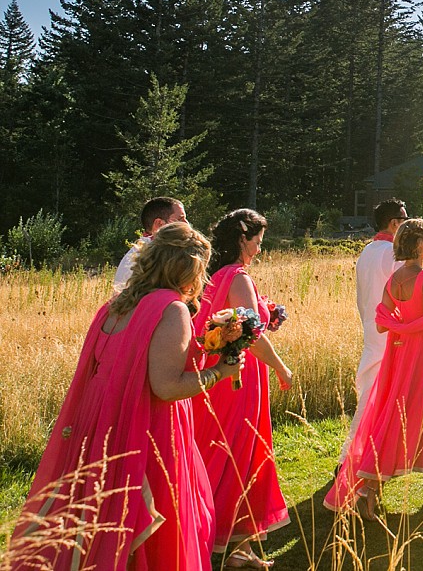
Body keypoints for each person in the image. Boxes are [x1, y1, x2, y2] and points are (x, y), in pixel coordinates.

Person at [9, 223, 241, 570]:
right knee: (144, 513)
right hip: (145, 425)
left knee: (99, 509)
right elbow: (166, 386)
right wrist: (220, 372)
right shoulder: (171, 308)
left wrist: (212, 343)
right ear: (186, 267)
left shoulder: (116, 304)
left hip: (100, 418)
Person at [326, 219, 423, 516]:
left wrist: (408, 325)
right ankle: (368, 488)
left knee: (419, 414)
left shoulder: (395, 279)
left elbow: (382, 322)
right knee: (412, 416)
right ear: (418, 243)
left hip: (400, 356)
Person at [190, 209, 292, 567]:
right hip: (240, 378)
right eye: (258, 242)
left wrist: (267, 311)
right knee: (240, 454)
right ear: (242, 238)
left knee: (218, 449)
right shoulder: (238, 277)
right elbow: (252, 336)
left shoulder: (212, 277)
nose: (259, 250)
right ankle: (229, 541)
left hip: (217, 375)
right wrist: (281, 366)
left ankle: (235, 547)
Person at [343, 199, 408, 459]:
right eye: (405, 220)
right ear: (394, 223)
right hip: (390, 331)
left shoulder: (367, 251)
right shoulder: (393, 253)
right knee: (378, 394)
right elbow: (407, 290)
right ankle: (352, 455)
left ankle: (363, 451)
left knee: (372, 391)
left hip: (370, 328)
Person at [113, 195, 187, 291]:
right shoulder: (144, 257)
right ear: (159, 224)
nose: (186, 224)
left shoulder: (150, 251)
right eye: (180, 219)